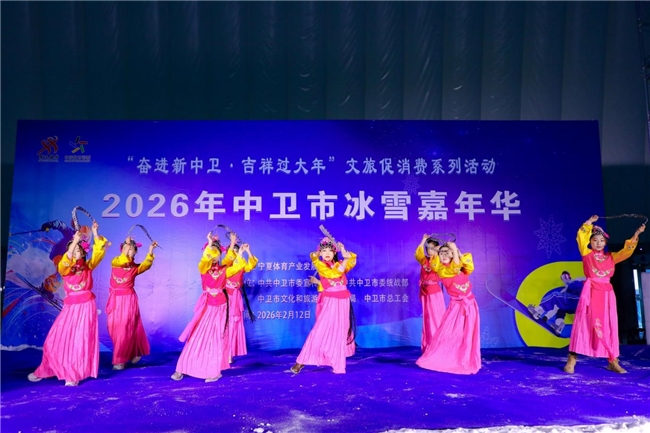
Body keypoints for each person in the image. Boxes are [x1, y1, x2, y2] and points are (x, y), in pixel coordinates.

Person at [28, 222, 108, 386]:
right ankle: (47, 369)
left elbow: (98, 253)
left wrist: (95, 232)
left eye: (78, 249)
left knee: (79, 340)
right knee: (54, 339)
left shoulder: (87, 267)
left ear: (83, 252)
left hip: (86, 307)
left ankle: (73, 374)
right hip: (70, 307)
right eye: (72, 249)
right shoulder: (65, 268)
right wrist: (74, 242)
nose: (74, 251)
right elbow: (65, 264)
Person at [563, 216, 645, 374]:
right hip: (590, 293)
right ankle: (572, 359)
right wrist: (588, 223)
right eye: (595, 240)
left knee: (608, 326)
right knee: (583, 324)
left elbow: (626, 251)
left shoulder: (611, 257)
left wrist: (636, 234)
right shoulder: (587, 254)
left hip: (606, 295)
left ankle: (612, 361)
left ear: (605, 243)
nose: (598, 243)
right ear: (590, 242)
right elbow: (581, 238)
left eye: (601, 240)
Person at [171, 233, 245, 382]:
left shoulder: (224, 269)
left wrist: (234, 246)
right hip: (207, 307)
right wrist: (210, 242)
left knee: (217, 339)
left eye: (216, 252)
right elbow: (205, 260)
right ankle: (182, 367)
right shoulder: (204, 268)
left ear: (220, 255)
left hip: (222, 308)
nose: (213, 255)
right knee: (196, 337)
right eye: (211, 251)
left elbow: (234, 263)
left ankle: (214, 371)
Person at [291, 237, 357, 374]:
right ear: (320, 253)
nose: (326, 253)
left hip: (343, 300)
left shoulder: (339, 263)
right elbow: (334, 274)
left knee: (340, 331)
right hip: (331, 300)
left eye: (329, 250)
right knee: (320, 330)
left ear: (334, 253)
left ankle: (338, 364)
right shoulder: (320, 265)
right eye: (324, 250)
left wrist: (344, 251)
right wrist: (345, 260)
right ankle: (302, 361)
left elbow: (351, 260)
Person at [416, 241, 481, 375]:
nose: (444, 255)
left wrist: (457, 252)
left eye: (447, 253)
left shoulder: (461, 267)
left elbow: (467, 265)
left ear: (452, 254)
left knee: (468, 333)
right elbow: (454, 267)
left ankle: (466, 359)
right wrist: (452, 249)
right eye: (441, 253)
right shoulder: (442, 270)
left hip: (470, 304)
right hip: (456, 306)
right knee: (450, 332)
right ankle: (449, 357)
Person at [107, 236, 158, 370]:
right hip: (115, 299)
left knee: (125, 328)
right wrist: (127, 246)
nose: (128, 250)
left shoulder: (135, 268)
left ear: (135, 252)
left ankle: (119, 360)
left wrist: (150, 251)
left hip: (128, 300)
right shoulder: (116, 262)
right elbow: (123, 259)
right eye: (125, 248)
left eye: (131, 249)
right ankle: (133, 352)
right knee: (113, 328)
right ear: (122, 250)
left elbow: (146, 265)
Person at [222, 241, 258, 363]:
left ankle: (229, 353)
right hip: (225, 298)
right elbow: (235, 266)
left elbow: (251, 265)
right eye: (233, 252)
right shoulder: (225, 267)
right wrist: (239, 254)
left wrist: (248, 251)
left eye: (237, 251)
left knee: (233, 326)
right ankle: (222, 352)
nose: (236, 254)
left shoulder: (240, 264)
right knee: (224, 325)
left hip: (235, 298)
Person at [527, 271, 585, 335]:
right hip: (576, 307)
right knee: (561, 308)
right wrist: (546, 317)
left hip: (579, 300)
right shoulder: (565, 291)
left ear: (570, 276)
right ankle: (559, 325)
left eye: (566, 276)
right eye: (563, 277)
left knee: (554, 296)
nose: (565, 278)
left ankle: (537, 310)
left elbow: (582, 284)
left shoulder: (576, 281)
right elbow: (556, 307)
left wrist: (570, 283)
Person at [416, 234, 445, 353]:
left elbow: (436, 267)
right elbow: (418, 253)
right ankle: (428, 345)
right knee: (427, 319)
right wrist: (423, 240)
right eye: (428, 248)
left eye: (432, 248)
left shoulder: (439, 260)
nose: (429, 250)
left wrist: (437, 253)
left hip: (434, 293)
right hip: (425, 292)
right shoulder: (424, 260)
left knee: (436, 317)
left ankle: (438, 345)